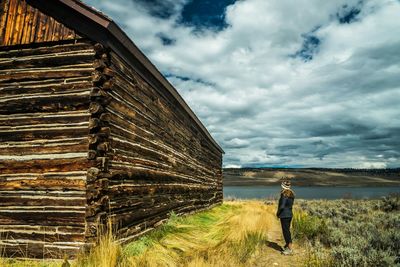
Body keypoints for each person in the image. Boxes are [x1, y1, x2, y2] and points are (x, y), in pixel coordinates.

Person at [276, 178, 295, 255]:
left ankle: (290, 249)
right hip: (290, 214)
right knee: (287, 230)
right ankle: (287, 245)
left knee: (285, 231)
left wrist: (278, 213)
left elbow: (282, 206)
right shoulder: (291, 194)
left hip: (284, 215)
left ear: (283, 186)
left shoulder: (284, 194)